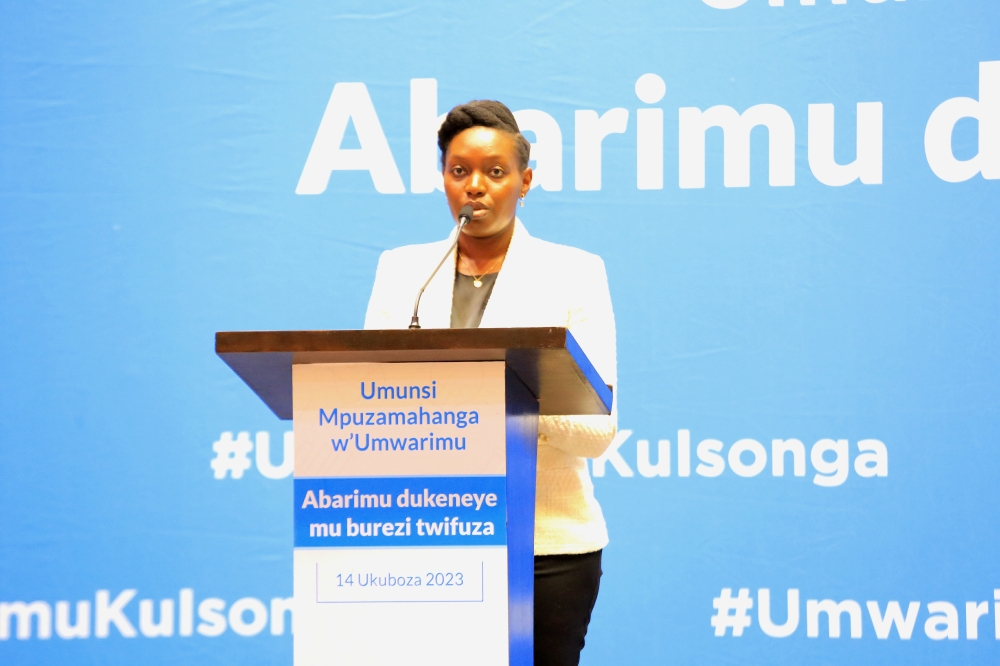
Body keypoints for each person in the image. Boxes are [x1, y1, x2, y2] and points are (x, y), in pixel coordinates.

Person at [364, 100, 617, 666]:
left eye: (495, 173)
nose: (475, 187)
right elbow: (369, 400)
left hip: (546, 549)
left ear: (525, 182)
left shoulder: (575, 272)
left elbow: (598, 433)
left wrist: (507, 389)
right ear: (443, 179)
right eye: (459, 172)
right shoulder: (402, 271)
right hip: (430, 538)